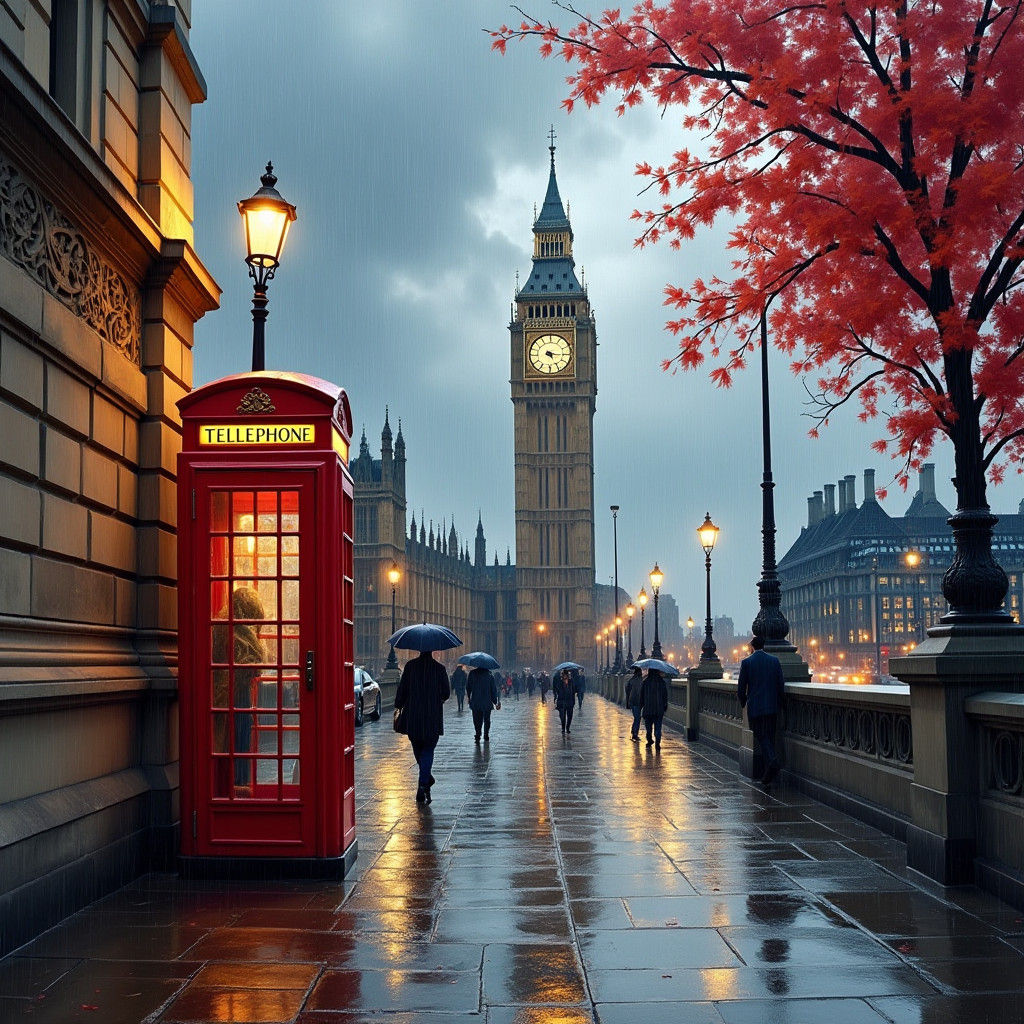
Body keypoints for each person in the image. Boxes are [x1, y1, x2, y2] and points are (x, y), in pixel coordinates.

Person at [211, 586, 266, 795]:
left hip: (224, 699)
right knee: (239, 747)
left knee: (231, 747)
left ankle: (232, 788)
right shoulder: (239, 636)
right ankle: (239, 788)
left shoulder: (221, 628)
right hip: (238, 699)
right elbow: (256, 665)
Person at [394, 650, 451, 803]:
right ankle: (424, 782)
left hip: (413, 717)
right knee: (428, 750)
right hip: (432, 717)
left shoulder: (410, 667)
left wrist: (398, 705)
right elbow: (446, 693)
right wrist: (437, 699)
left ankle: (425, 780)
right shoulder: (440, 669)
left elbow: (402, 690)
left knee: (418, 750)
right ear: (432, 651)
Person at [737, 635, 786, 784]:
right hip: (771, 706)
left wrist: (743, 702)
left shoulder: (746, 663)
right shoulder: (774, 661)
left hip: (756, 707)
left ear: (752, 647)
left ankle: (772, 762)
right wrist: (781, 703)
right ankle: (767, 776)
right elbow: (780, 685)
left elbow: (741, 687)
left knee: (761, 736)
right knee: (769, 737)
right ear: (764, 645)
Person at [467, 665, 499, 742]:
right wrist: (495, 701)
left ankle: (478, 734)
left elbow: (468, 687)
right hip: (487, 701)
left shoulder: (472, 673)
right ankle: (486, 735)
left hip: (475, 701)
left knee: (476, 719)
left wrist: (469, 696)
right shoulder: (490, 675)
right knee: (487, 719)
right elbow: (493, 690)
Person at [642, 667, 669, 749]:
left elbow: (642, 695)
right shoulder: (661, 682)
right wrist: (665, 705)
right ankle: (657, 742)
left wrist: (642, 705)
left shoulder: (645, 682)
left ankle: (649, 740)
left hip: (648, 708)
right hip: (658, 708)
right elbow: (665, 696)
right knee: (658, 727)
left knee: (648, 727)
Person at [625, 666, 644, 742]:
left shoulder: (631, 680)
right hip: (637, 701)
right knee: (637, 718)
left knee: (637, 717)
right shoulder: (640, 681)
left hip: (632, 701)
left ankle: (634, 731)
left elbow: (627, 689)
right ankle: (635, 733)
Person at [554, 668, 575, 734]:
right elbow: (557, 690)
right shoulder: (559, 682)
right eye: (563, 675)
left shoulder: (571, 682)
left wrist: (573, 701)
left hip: (569, 701)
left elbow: (573, 691)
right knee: (562, 716)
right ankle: (563, 728)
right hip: (562, 701)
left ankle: (567, 727)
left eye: (565, 675)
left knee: (570, 716)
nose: (564, 676)